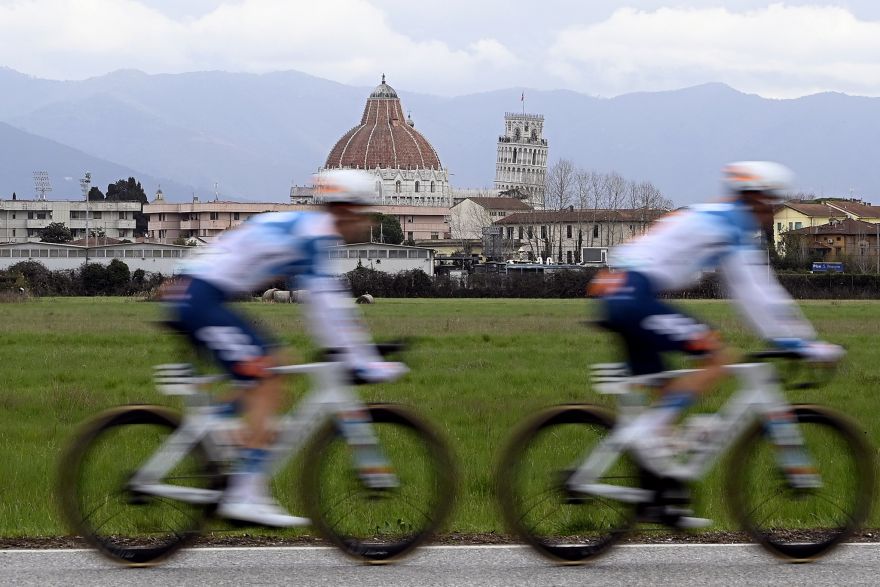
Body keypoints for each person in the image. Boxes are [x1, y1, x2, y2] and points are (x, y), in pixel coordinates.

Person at [588, 161, 843, 524]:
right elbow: (755, 294)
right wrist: (801, 343)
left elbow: (751, 292)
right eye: (769, 205)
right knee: (718, 356)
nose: (771, 215)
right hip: (633, 294)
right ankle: (643, 439)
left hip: (618, 290)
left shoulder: (716, 216)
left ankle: (660, 496)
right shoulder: (731, 226)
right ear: (754, 200)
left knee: (666, 390)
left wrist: (792, 337)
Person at [163, 170, 407, 527]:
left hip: (204, 294)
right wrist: (363, 361)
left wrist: (358, 353)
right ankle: (245, 493)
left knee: (273, 365)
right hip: (200, 298)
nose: (367, 220)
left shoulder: (310, 232)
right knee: (267, 378)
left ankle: (222, 431)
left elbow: (330, 305)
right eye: (362, 211)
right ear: (344, 211)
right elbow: (325, 308)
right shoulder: (313, 237)